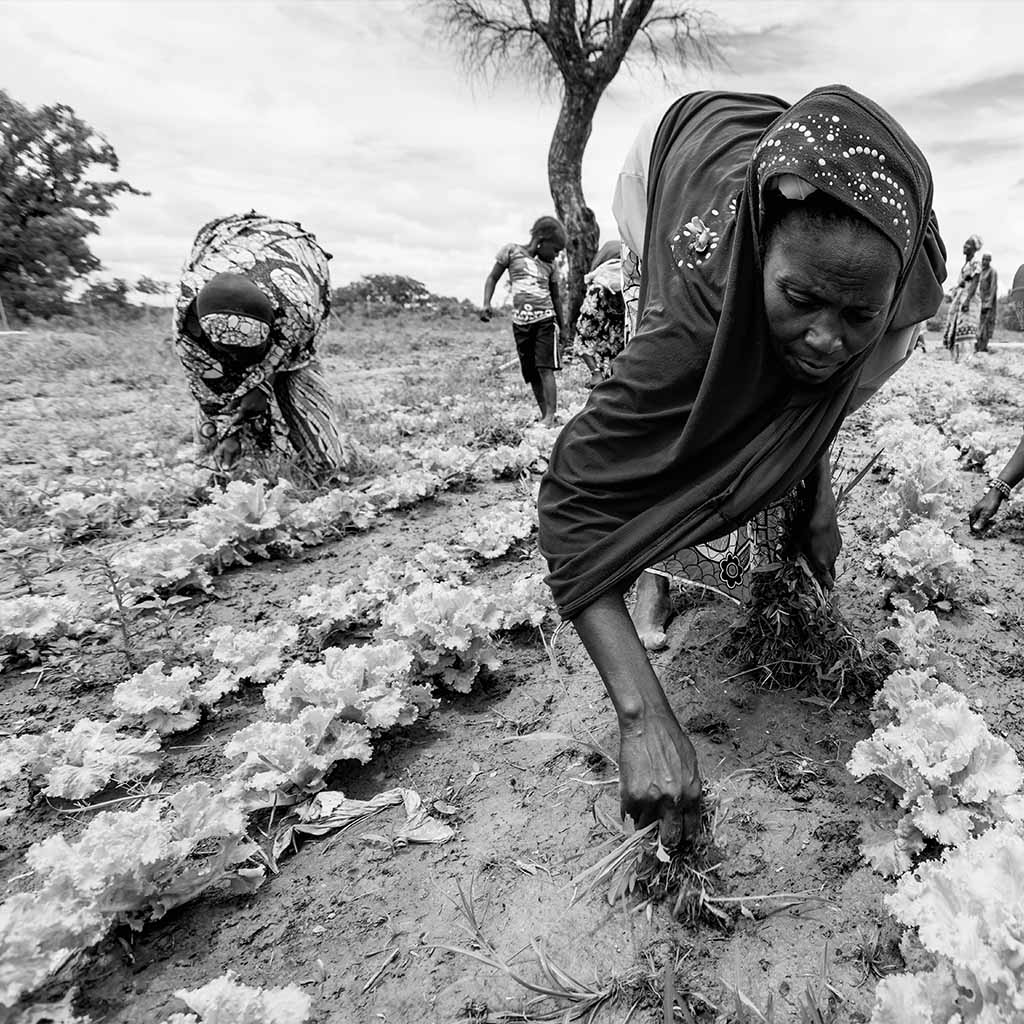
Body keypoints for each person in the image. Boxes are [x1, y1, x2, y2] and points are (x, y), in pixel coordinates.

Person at [537, 86, 945, 844]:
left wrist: (818, 498)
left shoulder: (907, 287)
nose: (826, 336)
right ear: (761, 250)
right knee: (702, 413)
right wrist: (644, 716)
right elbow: (570, 502)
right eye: (801, 299)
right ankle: (658, 573)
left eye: (857, 314)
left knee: (813, 369)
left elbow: (815, 397)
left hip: (794, 150)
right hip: (672, 152)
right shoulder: (694, 308)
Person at [173, 212, 355, 479]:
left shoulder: (296, 311)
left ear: (272, 331)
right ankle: (214, 473)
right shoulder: (189, 333)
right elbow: (210, 392)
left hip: (294, 255)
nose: (241, 361)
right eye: (230, 352)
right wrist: (229, 433)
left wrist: (263, 383)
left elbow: (286, 353)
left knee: (297, 386)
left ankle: (320, 465)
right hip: (226, 240)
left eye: (252, 352)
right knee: (216, 438)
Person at [481, 217, 567, 426]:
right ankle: (544, 413)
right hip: (521, 323)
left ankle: (550, 416)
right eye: (555, 249)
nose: (556, 255)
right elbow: (492, 278)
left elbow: (555, 297)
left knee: (545, 367)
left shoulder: (550, 266)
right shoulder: (511, 252)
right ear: (541, 240)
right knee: (531, 371)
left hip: (545, 321)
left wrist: (563, 327)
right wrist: (486, 303)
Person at [573, 241, 627, 386]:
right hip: (604, 361)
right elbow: (582, 336)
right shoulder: (598, 292)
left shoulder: (634, 290)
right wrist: (595, 372)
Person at [942, 234, 983, 362]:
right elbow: (965, 282)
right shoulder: (967, 264)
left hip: (969, 299)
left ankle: (967, 357)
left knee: (966, 325)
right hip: (961, 297)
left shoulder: (976, 262)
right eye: (965, 243)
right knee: (955, 324)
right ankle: (957, 357)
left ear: (975, 248)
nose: (965, 246)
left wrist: (967, 300)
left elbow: (975, 282)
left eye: (968, 244)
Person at [976, 251, 998, 353]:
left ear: (990, 261)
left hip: (988, 303)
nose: (984, 261)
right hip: (979, 301)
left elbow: (993, 288)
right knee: (978, 323)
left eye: (986, 260)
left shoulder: (992, 272)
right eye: (983, 259)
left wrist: (988, 304)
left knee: (986, 324)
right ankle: (977, 345)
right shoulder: (981, 272)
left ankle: (983, 347)